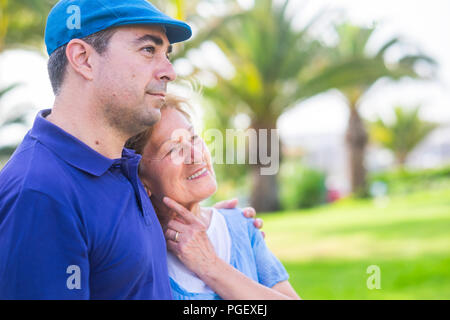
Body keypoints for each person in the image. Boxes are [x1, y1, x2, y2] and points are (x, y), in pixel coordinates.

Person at [0, 0, 260, 299]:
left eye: (166, 54)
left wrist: (215, 225)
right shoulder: (39, 193)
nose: (169, 72)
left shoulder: (122, 168)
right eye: (149, 50)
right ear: (83, 59)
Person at [125, 95, 300, 300]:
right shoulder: (135, 254)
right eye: (174, 149)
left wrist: (211, 266)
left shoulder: (240, 225)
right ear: (141, 179)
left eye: (193, 138)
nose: (195, 155)